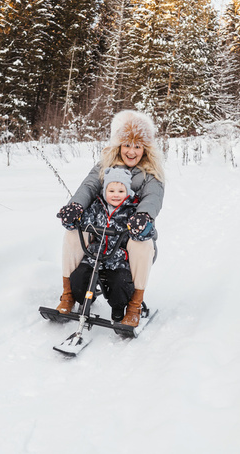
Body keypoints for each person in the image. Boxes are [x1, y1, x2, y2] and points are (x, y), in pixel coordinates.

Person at [56, 110, 165, 327]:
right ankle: (68, 294)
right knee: (73, 233)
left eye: (137, 146)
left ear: (145, 149)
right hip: (101, 236)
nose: (131, 151)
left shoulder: (151, 174)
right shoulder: (104, 166)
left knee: (141, 244)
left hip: (129, 237)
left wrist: (143, 217)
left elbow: (153, 198)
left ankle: (134, 305)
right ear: (118, 145)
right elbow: (88, 186)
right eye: (127, 145)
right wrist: (75, 207)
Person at [69, 167, 153, 322]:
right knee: (78, 276)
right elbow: (83, 221)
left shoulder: (131, 211)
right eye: (111, 190)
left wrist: (143, 228)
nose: (115, 195)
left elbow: (147, 233)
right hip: (94, 255)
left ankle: (119, 307)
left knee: (120, 282)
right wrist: (72, 219)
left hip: (118, 258)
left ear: (127, 192)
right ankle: (83, 298)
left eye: (121, 191)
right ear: (104, 191)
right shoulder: (97, 207)